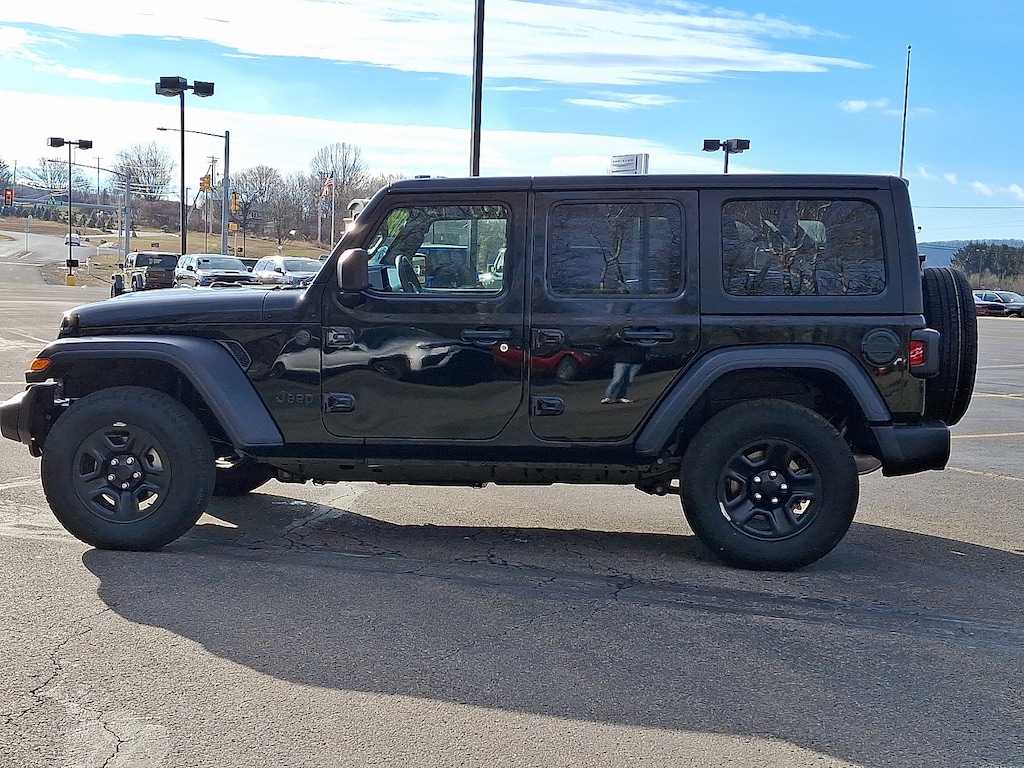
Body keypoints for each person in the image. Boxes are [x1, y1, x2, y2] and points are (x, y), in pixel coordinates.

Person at [601, 333, 646, 404]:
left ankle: (620, 397)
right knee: (617, 380)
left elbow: (646, 346)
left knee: (628, 381)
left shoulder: (638, 340)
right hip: (621, 361)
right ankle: (607, 396)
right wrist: (615, 337)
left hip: (636, 362)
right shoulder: (619, 341)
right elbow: (606, 346)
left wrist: (644, 356)